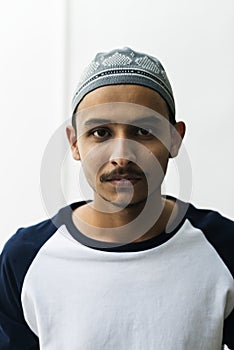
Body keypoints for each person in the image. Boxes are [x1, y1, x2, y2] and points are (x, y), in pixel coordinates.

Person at [0, 47, 233, 350]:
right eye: (100, 133)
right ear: (75, 144)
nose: (121, 155)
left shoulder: (223, 247)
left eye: (143, 130)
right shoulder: (25, 259)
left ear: (175, 139)